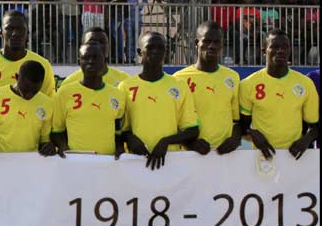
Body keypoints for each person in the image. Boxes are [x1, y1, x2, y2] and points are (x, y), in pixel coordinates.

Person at [119, 32, 200, 170]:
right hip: (136, 162)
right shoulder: (125, 87)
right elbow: (120, 129)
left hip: (170, 162)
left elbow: (192, 130)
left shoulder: (179, 85)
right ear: (140, 52)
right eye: (150, 47)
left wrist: (166, 142)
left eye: (160, 48)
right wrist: (130, 138)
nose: (156, 51)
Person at [239, 30, 319, 161]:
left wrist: (306, 140)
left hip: (295, 156)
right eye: (274, 47)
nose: (280, 50)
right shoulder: (248, 84)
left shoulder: (305, 83)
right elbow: (242, 126)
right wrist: (252, 133)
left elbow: (314, 127)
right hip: (262, 157)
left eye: (285, 47)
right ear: (264, 51)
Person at [174, 23, 242, 155]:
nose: (212, 46)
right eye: (207, 41)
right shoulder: (179, 79)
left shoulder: (232, 77)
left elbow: (237, 121)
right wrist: (190, 142)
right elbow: (171, 121)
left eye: (217, 42)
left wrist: (235, 139)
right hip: (190, 155)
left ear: (221, 45)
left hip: (223, 156)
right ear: (196, 43)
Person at [52, 43, 126, 157]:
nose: (91, 61)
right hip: (76, 163)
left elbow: (118, 130)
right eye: (86, 58)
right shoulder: (64, 92)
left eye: (96, 57)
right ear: (79, 62)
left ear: (105, 60)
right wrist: (64, 148)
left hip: (108, 164)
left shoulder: (117, 94)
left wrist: (119, 149)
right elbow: (56, 131)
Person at [0, 61, 56, 155]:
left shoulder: (47, 104)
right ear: (17, 77)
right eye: (26, 89)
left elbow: (44, 141)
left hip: (30, 163)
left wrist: (49, 147)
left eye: (35, 91)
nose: (29, 95)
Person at [0, 11, 55, 96]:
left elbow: (49, 103)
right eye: (9, 28)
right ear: (1, 32)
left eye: (20, 29)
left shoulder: (43, 65)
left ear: (27, 33)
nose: (15, 33)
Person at [61, 28, 129, 88]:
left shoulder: (124, 80)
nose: (97, 46)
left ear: (108, 48)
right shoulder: (69, 84)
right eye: (92, 42)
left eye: (102, 42)